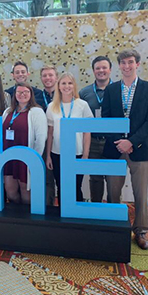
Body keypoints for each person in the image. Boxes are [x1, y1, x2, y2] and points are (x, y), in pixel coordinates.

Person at [102, 49, 148, 250]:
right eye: (123, 63)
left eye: (130, 62)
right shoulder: (111, 89)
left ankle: (141, 231)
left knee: (140, 192)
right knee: (113, 192)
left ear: (137, 64)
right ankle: (116, 228)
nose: (127, 66)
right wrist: (119, 141)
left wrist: (131, 142)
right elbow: (106, 119)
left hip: (140, 148)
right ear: (119, 66)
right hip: (115, 148)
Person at [46, 73, 92, 204]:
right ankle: (63, 218)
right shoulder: (51, 107)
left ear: (74, 86)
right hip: (57, 153)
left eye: (70, 83)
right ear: (58, 86)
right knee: (61, 186)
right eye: (63, 83)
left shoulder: (82, 105)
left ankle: (77, 220)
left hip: (77, 153)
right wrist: (48, 155)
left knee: (76, 186)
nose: (67, 86)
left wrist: (85, 155)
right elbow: (50, 133)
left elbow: (86, 132)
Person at [2, 82, 47, 204]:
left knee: (26, 195)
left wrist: (34, 160)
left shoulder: (36, 112)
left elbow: (41, 139)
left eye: (26, 92)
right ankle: (16, 219)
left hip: (27, 159)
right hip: (9, 158)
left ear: (31, 94)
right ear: (15, 94)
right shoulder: (7, 112)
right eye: (19, 92)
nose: (22, 94)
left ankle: (27, 220)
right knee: (10, 193)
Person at [79, 56, 113, 202]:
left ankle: (113, 212)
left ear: (110, 70)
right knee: (95, 178)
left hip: (112, 141)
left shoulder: (118, 90)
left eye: (104, 67)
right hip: (92, 141)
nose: (101, 71)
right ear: (93, 71)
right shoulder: (84, 93)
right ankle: (96, 209)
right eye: (98, 68)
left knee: (113, 179)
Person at [39, 65, 58, 206]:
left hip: (61, 140)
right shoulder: (36, 97)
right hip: (44, 141)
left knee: (64, 178)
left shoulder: (64, 95)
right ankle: (49, 208)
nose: (48, 78)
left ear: (56, 77)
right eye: (44, 75)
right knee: (47, 177)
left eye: (50, 75)